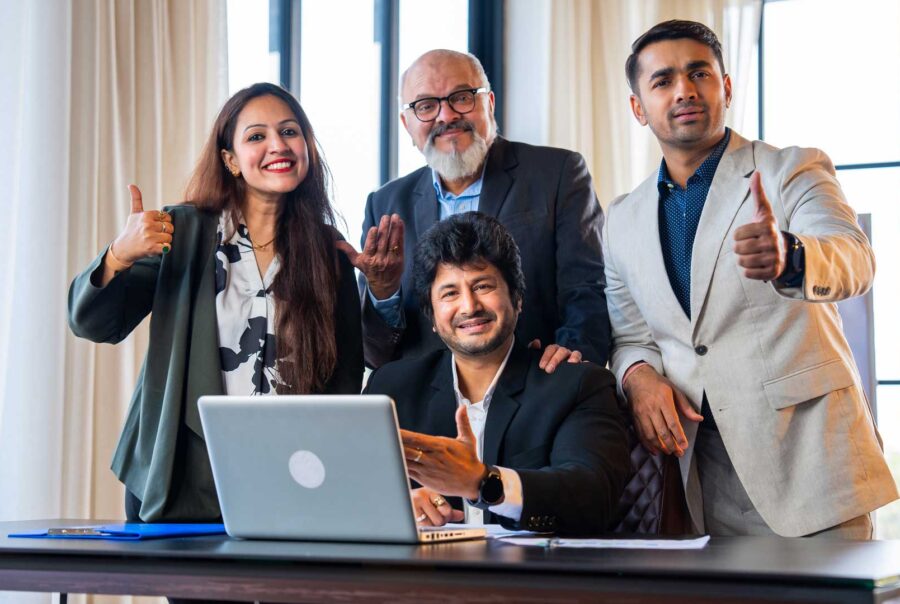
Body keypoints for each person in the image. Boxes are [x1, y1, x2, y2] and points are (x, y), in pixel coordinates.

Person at [604, 20, 897, 538]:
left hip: (812, 465)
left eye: (700, 73)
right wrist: (638, 376)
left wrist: (791, 256)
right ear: (637, 108)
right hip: (704, 476)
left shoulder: (791, 170)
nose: (684, 91)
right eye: (663, 80)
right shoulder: (622, 220)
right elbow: (631, 337)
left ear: (727, 87)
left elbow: (855, 258)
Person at [68, 82, 363, 525]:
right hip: (184, 477)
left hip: (288, 480)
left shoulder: (327, 248)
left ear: (307, 146)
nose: (277, 146)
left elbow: (344, 378)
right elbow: (91, 323)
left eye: (289, 132)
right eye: (256, 136)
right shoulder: (183, 230)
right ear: (230, 160)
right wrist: (119, 255)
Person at [337, 49, 610, 371]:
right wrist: (383, 294)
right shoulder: (385, 204)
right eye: (426, 106)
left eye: (462, 97)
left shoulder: (557, 173)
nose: (446, 116)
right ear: (406, 123)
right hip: (425, 406)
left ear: (489, 103)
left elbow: (587, 287)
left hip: (536, 390)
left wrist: (571, 360)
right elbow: (374, 354)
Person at [364, 212, 629, 534]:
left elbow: (593, 496)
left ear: (517, 299)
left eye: (483, 286)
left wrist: (483, 482)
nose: (469, 306)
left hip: (535, 579)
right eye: (450, 293)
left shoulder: (576, 383)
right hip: (423, 579)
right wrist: (398, 504)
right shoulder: (393, 388)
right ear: (432, 316)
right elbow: (353, 486)